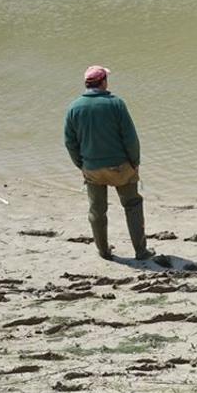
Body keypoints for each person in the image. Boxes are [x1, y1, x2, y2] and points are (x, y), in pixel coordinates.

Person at [64, 65, 154, 261]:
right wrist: (135, 162)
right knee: (132, 204)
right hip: (120, 167)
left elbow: (70, 142)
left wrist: (81, 164)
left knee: (97, 210)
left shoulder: (74, 107)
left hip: (92, 168)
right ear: (103, 81)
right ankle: (141, 251)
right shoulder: (116, 104)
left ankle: (104, 252)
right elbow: (130, 138)